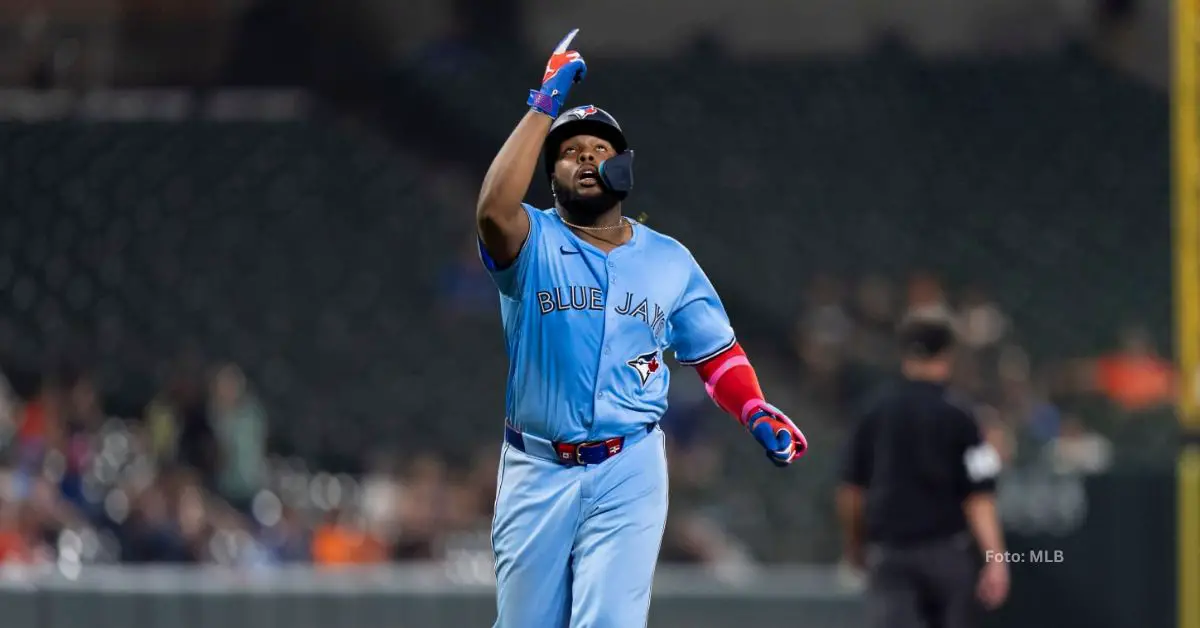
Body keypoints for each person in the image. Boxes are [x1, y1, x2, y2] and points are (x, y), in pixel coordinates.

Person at [475, 29, 808, 628]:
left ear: (624, 164)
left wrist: (754, 408)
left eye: (597, 149)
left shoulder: (669, 260)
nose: (582, 158)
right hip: (537, 467)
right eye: (568, 152)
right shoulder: (532, 241)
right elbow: (492, 209)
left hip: (628, 464)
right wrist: (543, 104)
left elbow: (716, 354)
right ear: (550, 174)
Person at [836, 314, 1009, 628]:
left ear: (904, 354)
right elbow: (980, 495)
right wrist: (996, 560)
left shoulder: (874, 412)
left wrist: (855, 546)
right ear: (947, 355)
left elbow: (851, 491)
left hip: (891, 553)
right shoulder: (962, 415)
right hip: (947, 552)